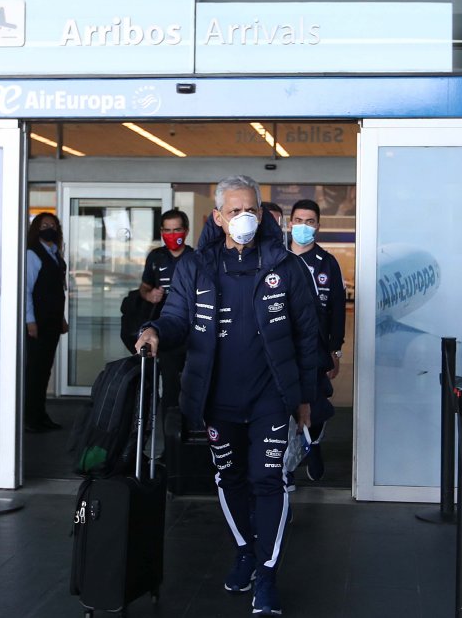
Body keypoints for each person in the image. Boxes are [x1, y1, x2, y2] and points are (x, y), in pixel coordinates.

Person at [135, 175, 318, 617]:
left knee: (268, 480)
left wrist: (307, 400)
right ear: (217, 218)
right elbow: (177, 317)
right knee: (230, 479)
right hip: (217, 398)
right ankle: (245, 552)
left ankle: (268, 576)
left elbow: (308, 337)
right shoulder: (196, 266)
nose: (243, 218)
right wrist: (155, 330)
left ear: (262, 214)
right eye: (233, 211)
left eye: (250, 210)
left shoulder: (285, 266)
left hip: (271, 397)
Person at [288, 199, 347, 480]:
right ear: (289, 224)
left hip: (317, 348)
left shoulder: (327, 263)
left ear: (318, 226)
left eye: (309, 221)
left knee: (318, 402)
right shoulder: (277, 258)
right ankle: (288, 458)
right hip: (284, 347)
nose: (303, 226)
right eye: (298, 220)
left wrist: (336, 351)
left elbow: (337, 309)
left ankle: (315, 444)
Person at [139, 209, 193, 427]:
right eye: (167, 230)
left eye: (176, 230)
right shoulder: (156, 256)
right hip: (163, 333)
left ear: (186, 231)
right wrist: (150, 295)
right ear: (162, 232)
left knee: (190, 385)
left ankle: (192, 438)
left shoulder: (196, 258)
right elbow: (143, 288)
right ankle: (170, 445)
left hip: (191, 333)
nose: (172, 234)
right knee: (169, 387)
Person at [24, 212, 69, 433]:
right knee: (35, 372)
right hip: (37, 325)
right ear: (36, 229)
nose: (49, 228)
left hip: (51, 323)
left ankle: (40, 415)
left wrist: (61, 318)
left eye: (53, 225)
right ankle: (31, 418)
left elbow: (56, 291)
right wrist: (30, 321)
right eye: (44, 225)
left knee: (44, 372)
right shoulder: (33, 254)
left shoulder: (55, 254)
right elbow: (26, 291)